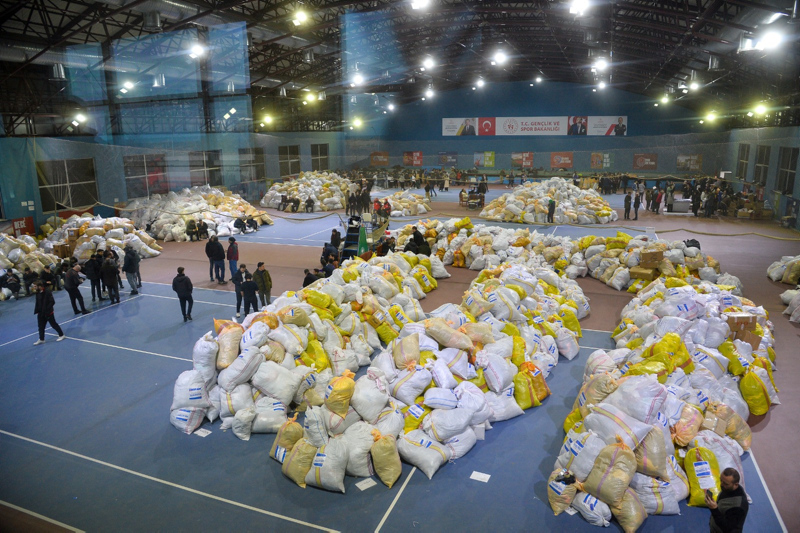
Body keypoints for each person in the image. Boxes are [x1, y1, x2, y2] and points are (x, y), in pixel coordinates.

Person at [706, 468, 748, 533]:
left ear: (736, 484)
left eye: (725, 483)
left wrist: (714, 509)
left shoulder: (738, 506)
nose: (721, 484)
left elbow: (727, 528)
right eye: (721, 480)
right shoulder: (728, 489)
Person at [32, 281, 65, 345]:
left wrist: (47, 310)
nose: (34, 288)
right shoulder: (37, 292)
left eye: (35, 286)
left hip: (48, 312)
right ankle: (41, 339)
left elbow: (52, 302)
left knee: (53, 324)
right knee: (41, 326)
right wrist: (37, 310)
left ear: (40, 286)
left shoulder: (47, 292)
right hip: (40, 313)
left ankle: (61, 335)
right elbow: (38, 302)